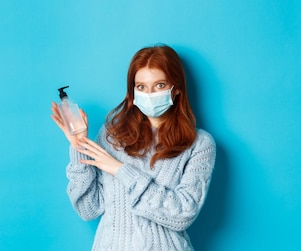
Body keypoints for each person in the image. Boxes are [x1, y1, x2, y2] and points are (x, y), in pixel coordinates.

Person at [50, 44, 216, 251]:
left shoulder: (199, 144)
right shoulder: (112, 136)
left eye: (160, 85)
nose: (149, 93)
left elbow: (183, 213)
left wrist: (121, 170)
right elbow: (88, 209)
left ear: (176, 90)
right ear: (133, 92)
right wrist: (79, 144)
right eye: (141, 87)